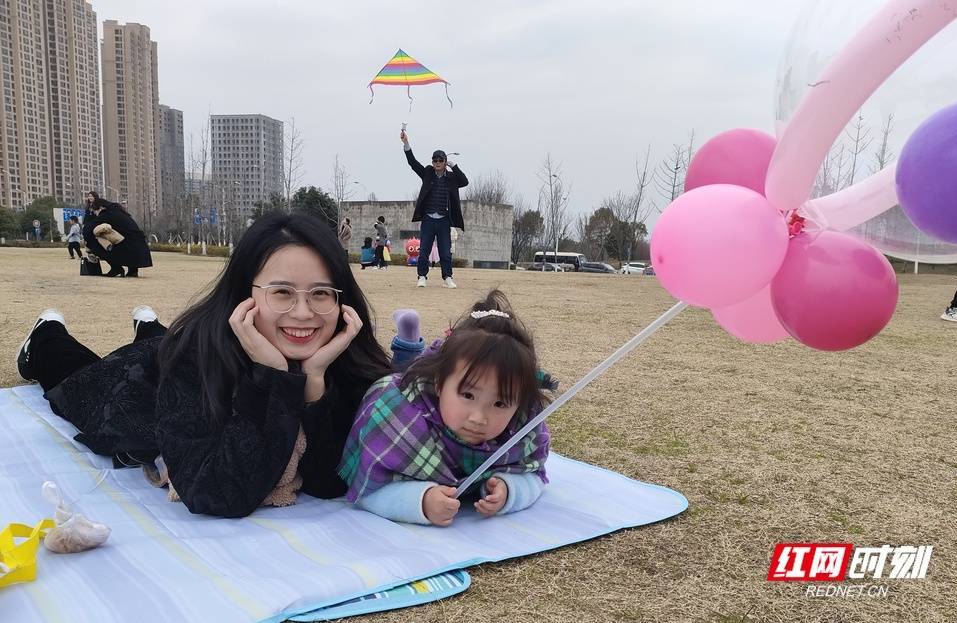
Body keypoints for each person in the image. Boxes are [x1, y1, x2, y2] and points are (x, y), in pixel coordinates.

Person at [16, 212, 393, 518]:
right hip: (145, 391)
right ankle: (47, 334)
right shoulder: (197, 355)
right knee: (76, 375)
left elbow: (329, 481)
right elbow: (217, 492)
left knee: (156, 338)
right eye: (281, 292)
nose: (302, 312)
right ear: (245, 294)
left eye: (321, 293)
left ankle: (148, 324)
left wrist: (312, 383)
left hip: (175, 352)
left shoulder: (349, 360)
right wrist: (271, 378)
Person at [339, 290, 554, 527]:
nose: (479, 417)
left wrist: (509, 489)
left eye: (500, 403)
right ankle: (407, 340)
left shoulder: (523, 425)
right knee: (403, 366)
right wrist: (421, 501)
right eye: (468, 395)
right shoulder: (400, 414)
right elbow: (368, 488)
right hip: (415, 383)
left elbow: (535, 476)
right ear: (440, 384)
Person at [400, 129, 468, 289]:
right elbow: (413, 163)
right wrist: (406, 144)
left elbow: (464, 182)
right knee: (424, 250)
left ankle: (447, 277)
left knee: (445, 251)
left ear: (445, 162)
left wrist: (454, 166)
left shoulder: (452, 178)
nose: (437, 163)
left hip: (444, 220)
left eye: (441, 160)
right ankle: (422, 276)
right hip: (429, 219)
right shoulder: (427, 173)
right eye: (435, 160)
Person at [83, 191, 153, 278]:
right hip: (139, 245)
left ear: (100, 208)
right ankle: (132, 270)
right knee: (125, 242)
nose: (95, 213)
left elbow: (88, 229)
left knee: (94, 243)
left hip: (130, 245)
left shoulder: (106, 214)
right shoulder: (118, 211)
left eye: (95, 210)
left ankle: (116, 268)